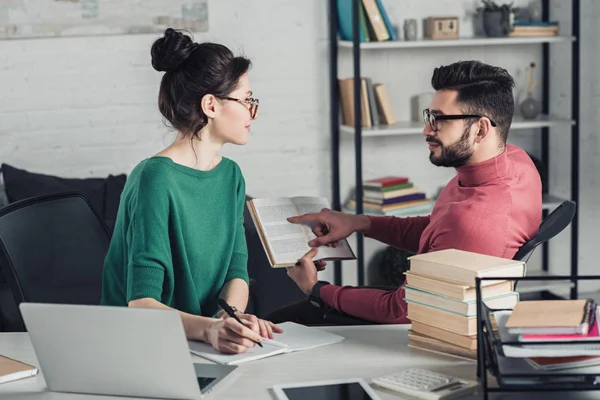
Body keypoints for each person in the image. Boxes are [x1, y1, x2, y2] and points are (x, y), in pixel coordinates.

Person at [268, 60, 542, 325]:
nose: (426, 129)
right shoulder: (517, 162)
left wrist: (316, 290)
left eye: (439, 120)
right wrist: (360, 222)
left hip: (423, 325)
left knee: (276, 322)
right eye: (429, 117)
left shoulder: (476, 220)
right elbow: (440, 234)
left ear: (480, 128)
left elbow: (399, 310)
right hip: (431, 305)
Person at [101, 28, 282, 354]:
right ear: (211, 105)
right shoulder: (154, 178)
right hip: (138, 348)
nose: (253, 111)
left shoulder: (231, 176)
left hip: (202, 346)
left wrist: (232, 321)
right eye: (246, 100)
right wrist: (212, 329)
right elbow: (141, 304)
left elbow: (236, 272)